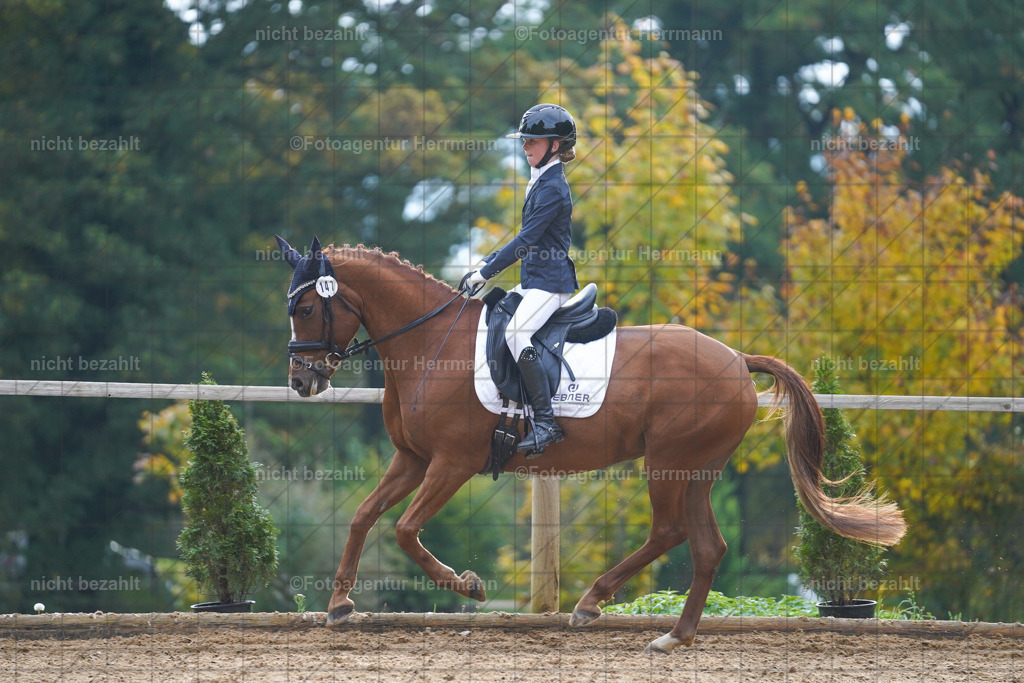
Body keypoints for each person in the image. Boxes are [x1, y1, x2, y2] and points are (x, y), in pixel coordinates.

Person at [463, 103, 579, 454]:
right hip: (534, 280)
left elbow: (526, 241)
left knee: (516, 333)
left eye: (533, 141)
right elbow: (526, 235)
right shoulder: (541, 180)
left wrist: (485, 271)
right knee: (492, 311)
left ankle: (545, 422)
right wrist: (485, 261)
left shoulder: (553, 188)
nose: (526, 146)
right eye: (524, 140)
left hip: (551, 284)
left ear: (554, 146)